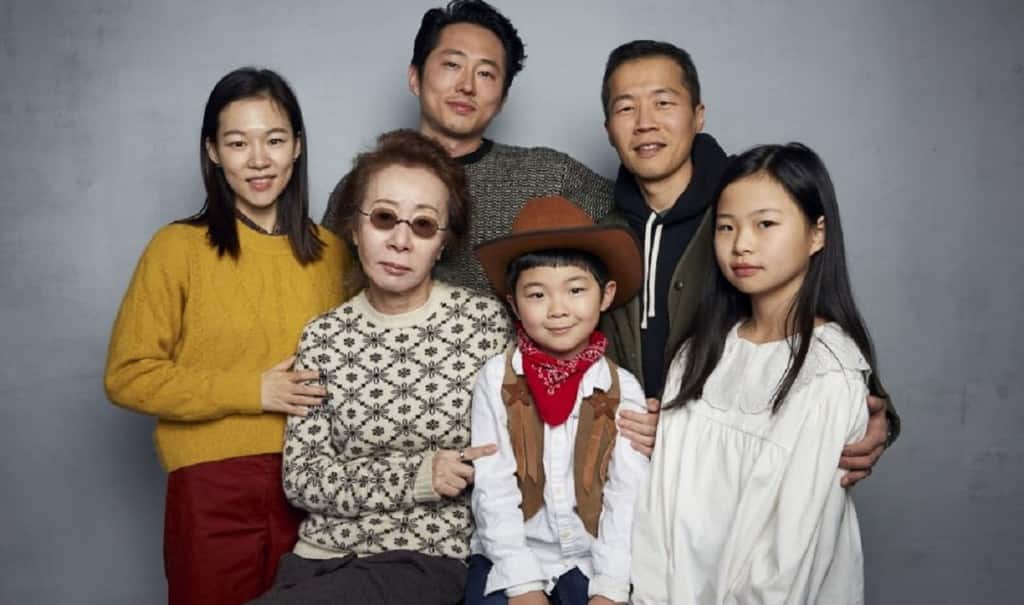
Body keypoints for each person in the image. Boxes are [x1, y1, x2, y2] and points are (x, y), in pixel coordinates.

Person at [598, 40, 898, 483]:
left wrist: (877, 416)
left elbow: (821, 309)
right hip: (627, 480)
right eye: (626, 109)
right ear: (608, 128)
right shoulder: (600, 232)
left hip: (738, 481)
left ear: (698, 115)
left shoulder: (751, 203)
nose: (645, 123)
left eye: (663, 102)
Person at [104, 67, 351, 604]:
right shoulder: (178, 249)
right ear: (214, 152)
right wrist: (253, 392)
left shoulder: (334, 254)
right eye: (238, 143)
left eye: (275, 140)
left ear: (298, 147)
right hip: (211, 485)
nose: (259, 159)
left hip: (319, 486)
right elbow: (128, 375)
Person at [250, 129, 510, 605]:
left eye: (424, 225)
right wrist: (418, 475)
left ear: (443, 243)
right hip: (317, 558)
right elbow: (303, 478)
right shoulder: (323, 337)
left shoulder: (482, 324)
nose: (401, 241)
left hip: (426, 559)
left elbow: (508, 453)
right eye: (385, 218)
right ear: (354, 227)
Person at [631, 143, 885, 603]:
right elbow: (659, 510)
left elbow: (790, 555)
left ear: (816, 234)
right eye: (726, 227)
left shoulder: (828, 371)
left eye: (765, 224)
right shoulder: (699, 354)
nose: (741, 244)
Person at [321, 0, 613, 296]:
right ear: (415, 77)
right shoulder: (366, 184)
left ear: (502, 100)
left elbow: (637, 226)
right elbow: (325, 285)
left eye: (486, 73)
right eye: (452, 64)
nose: (467, 86)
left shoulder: (550, 176)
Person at [467, 196, 650, 605]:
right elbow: (492, 488)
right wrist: (521, 583)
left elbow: (626, 495)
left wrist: (610, 587)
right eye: (537, 295)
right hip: (512, 552)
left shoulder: (625, 389)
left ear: (606, 295)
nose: (558, 310)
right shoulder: (496, 379)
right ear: (513, 304)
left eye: (576, 290)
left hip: (593, 559)